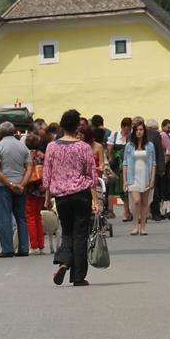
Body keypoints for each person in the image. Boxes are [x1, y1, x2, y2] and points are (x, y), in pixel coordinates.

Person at [42, 108, 99, 287]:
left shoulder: (52, 147)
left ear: (62, 126)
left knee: (66, 231)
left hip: (61, 195)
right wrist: (96, 200)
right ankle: (78, 276)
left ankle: (64, 261)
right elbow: (92, 174)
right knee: (80, 234)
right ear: (76, 127)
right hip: (81, 193)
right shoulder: (84, 147)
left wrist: (47, 196)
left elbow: (47, 174)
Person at [0, 121, 32, 257]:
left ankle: (7, 249)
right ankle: (24, 248)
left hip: (3, 186)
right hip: (20, 185)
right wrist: (21, 184)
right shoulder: (23, 147)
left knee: (5, 217)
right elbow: (29, 167)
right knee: (21, 217)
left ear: (0, 132)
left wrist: (10, 184)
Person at [123, 121, 156, 236]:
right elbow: (125, 163)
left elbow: (153, 163)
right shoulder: (129, 145)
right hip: (132, 177)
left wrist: (152, 180)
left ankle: (143, 227)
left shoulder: (150, 145)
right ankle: (134, 226)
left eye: (141, 130)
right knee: (136, 201)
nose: (139, 132)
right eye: (137, 130)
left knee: (144, 203)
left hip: (146, 176)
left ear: (144, 131)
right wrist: (125, 180)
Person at [24, 132, 46, 254]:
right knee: (38, 215)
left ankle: (34, 245)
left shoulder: (28, 156)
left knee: (30, 216)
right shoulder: (42, 155)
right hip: (41, 188)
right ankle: (41, 244)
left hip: (31, 188)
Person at [107, 117, 132, 220]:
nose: (126, 128)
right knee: (112, 188)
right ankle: (111, 211)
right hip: (115, 164)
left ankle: (127, 212)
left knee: (125, 190)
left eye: (128, 126)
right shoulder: (115, 135)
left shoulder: (131, 137)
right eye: (124, 126)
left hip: (126, 164)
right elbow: (109, 148)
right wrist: (110, 157)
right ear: (121, 126)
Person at [145, 119, 166, 221]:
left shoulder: (155, 135)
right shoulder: (134, 135)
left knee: (154, 191)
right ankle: (147, 213)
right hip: (143, 167)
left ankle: (155, 212)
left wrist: (161, 168)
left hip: (152, 167)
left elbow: (159, 151)